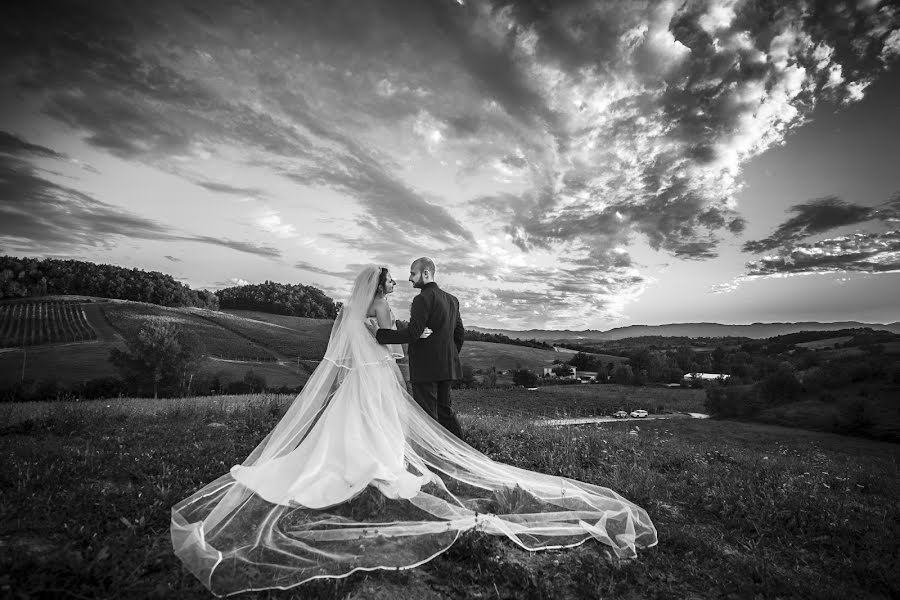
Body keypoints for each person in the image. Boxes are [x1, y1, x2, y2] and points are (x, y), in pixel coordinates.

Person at [171, 266, 657, 597]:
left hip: (356, 374)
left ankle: (345, 459)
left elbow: (346, 342)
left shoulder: (349, 305)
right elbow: (394, 339)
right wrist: (404, 349)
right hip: (383, 368)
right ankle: (387, 461)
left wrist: (393, 341)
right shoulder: (394, 305)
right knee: (396, 417)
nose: (396, 286)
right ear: (384, 285)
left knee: (350, 420)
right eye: (391, 281)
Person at [376, 257, 464, 438]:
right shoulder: (452, 300)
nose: (409, 278)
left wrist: (381, 335)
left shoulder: (422, 299)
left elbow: (413, 333)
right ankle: (463, 453)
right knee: (445, 412)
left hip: (425, 367)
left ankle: (432, 460)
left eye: (412, 273)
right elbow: (459, 335)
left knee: (427, 416)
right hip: (447, 367)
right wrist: (448, 356)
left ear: (426, 273)